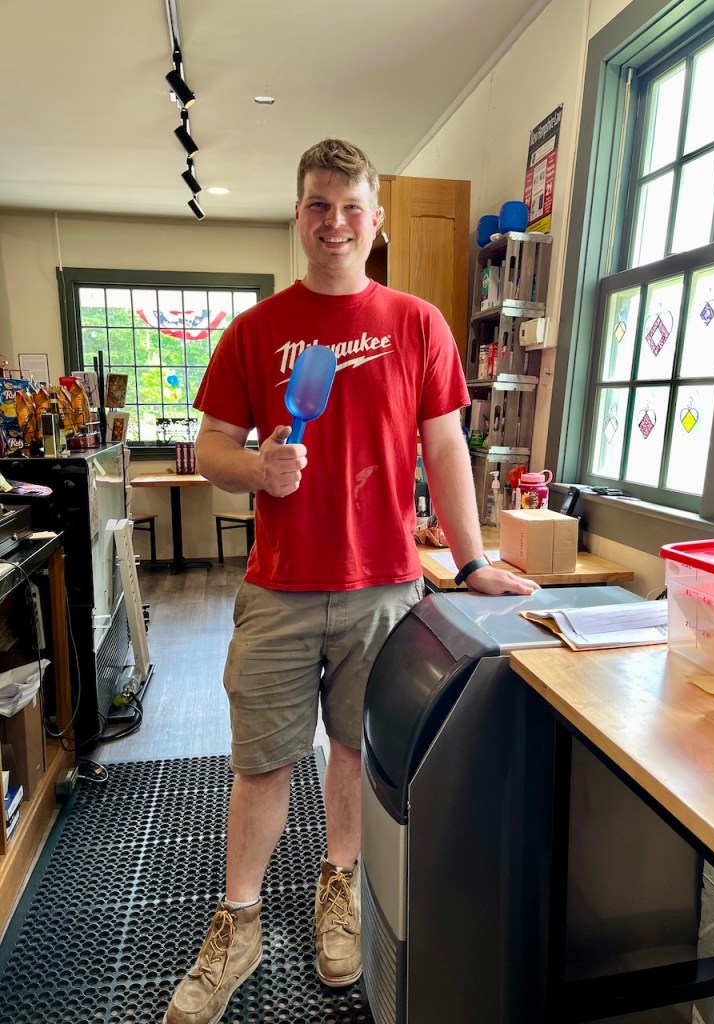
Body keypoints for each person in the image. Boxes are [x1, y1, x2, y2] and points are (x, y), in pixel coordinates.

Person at [163, 137, 539, 1024]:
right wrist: (257, 469)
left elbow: (445, 448)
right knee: (262, 761)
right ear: (300, 217)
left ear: (376, 222)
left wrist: (473, 560)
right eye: (318, 205)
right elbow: (210, 446)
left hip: (384, 587)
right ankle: (239, 920)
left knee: (353, 750)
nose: (334, 222)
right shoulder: (256, 331)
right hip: (279, 587)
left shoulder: (418, 324)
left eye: (350, 207)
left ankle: (339, 887)